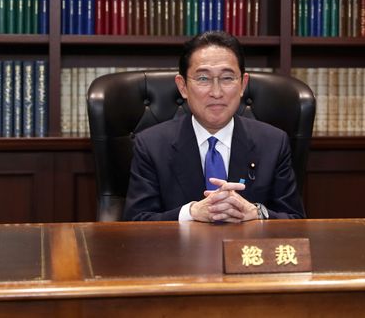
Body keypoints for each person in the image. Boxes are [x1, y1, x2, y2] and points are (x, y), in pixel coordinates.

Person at [123, 31, 305, 222]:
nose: (216, 93)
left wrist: (256, 214)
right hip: (181, 251)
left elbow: (295, 220)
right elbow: (136, 221)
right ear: (183, 86)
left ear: (243, 84)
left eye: (227, 78)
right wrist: (190, 213)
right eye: (203, 79)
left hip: (246, 250)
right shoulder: (151, 145)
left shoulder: (273, 143)